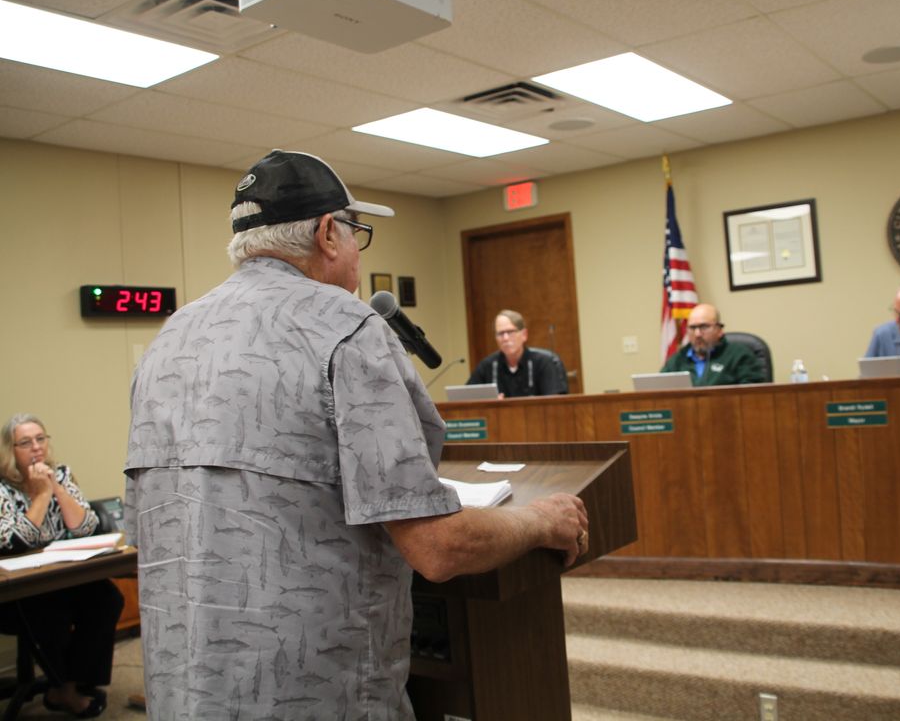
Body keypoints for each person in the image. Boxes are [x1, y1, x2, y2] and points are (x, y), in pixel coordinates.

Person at [123, 150, 588, 719]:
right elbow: (436, 548)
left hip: (185, 692)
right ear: (326, 234)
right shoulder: (348, 329)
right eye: (356, 232)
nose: (357, 257)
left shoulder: (166, 342)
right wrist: (543, 520)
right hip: (317, 690)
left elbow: (148, 535)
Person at [0, 414, 123, 719]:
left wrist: (55, 487)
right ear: (10, 451)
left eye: (41, 439)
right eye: (26, 442)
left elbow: (86, 527)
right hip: (17, 589)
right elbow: (14, 541)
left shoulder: (61, 475)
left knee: (107, 599)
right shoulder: (4, 489)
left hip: (60, 578)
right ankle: (64, 691)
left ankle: (76, 680)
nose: (37, 448)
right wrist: (40, 495)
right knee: (51, 614)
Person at [466, 309, 570, 398]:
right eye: (500, 333)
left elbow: (555, 404)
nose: (505, 338)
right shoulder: (487, 366)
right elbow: (466, 400)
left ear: (524, 334)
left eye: (510, 332)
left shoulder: (545, 362)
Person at [660, 303, 764, 386]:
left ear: (719, 330)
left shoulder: (740, 355)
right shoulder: (677, 360)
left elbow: (753, 396)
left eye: (704, 327)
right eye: (692, 328)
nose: (697, 334)